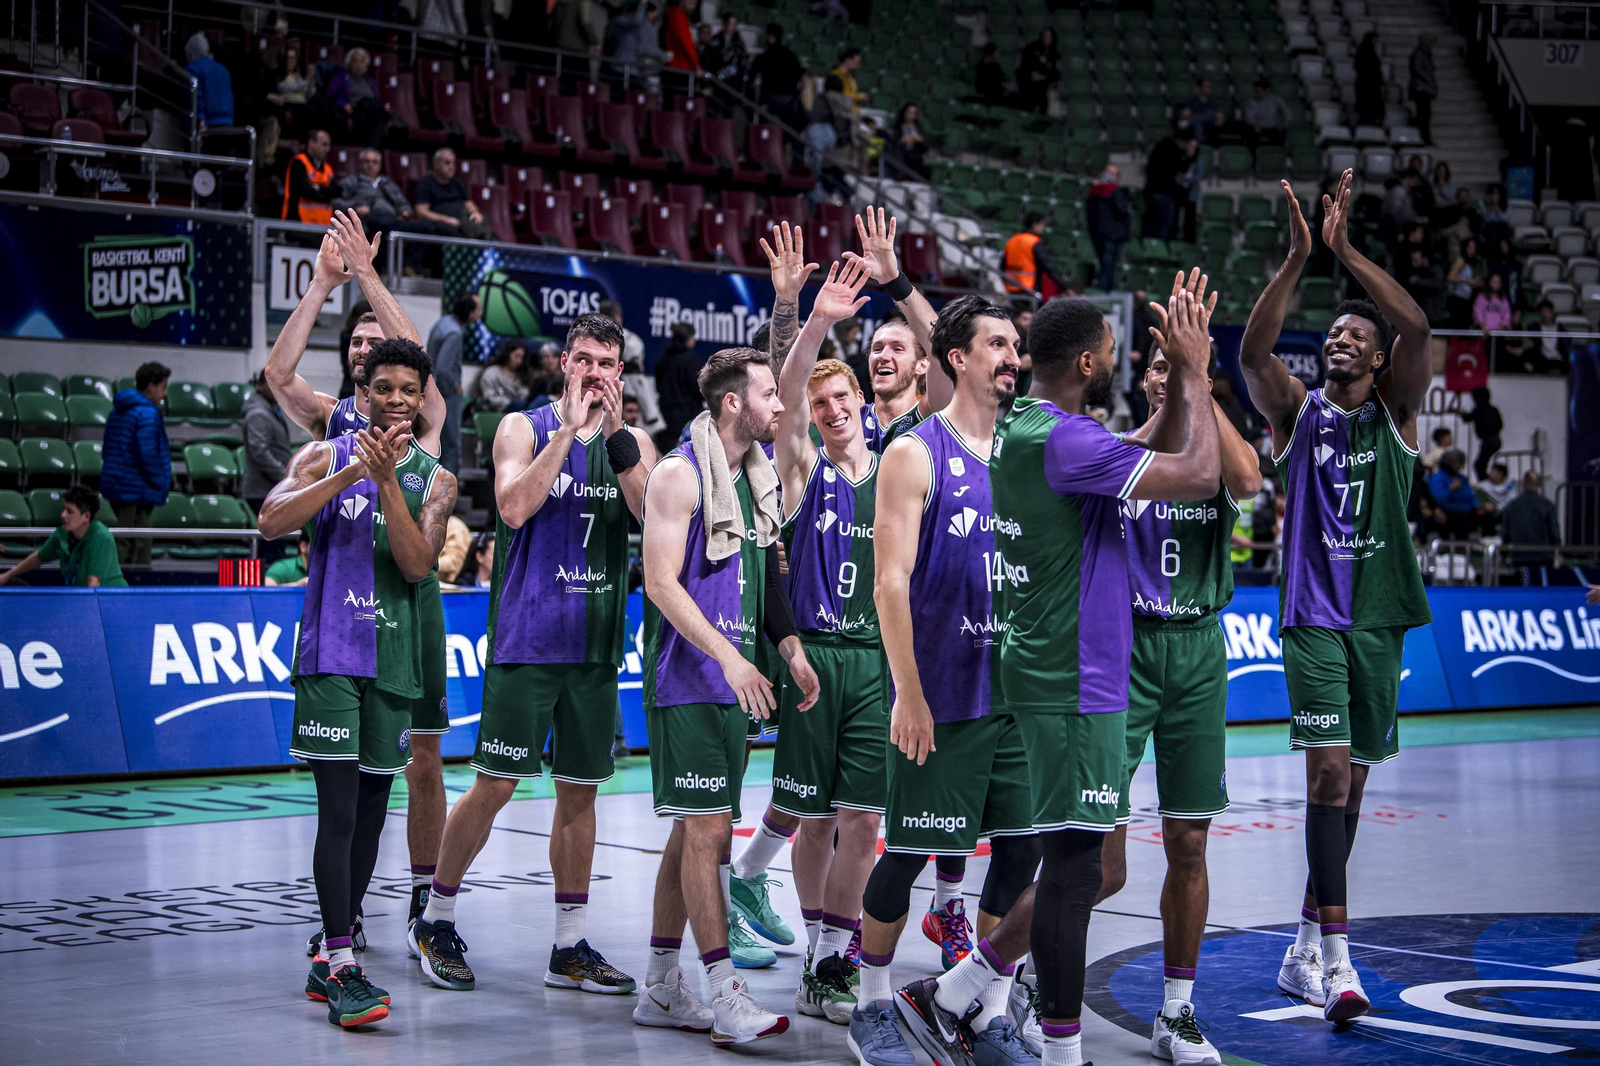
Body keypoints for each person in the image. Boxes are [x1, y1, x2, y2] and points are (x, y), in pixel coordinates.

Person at [1238, 174, 1433, 1024]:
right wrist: (1296, 259)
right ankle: (1342, 966)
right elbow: (1252, 355)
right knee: (1324, 775)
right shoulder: (1299, 413)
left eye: (1358, 334)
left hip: (1380, 623)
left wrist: (1348, 250)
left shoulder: (1395, 413)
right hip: (1314, 618)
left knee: (1346, 792)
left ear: (1380, 360)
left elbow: (1419, 325)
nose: (1343, 339)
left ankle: (1305, 945)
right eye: (1337, 333)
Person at [416, 314, 657, 997]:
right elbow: (515, 508)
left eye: (606, 364)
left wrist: (611, 436)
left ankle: (568, 943)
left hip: (595, 643)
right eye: (583, 360)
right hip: (528, 637)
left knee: (580, 794)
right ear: (564, 364)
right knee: (495, 785)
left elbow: (650, 518)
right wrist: (568, 433)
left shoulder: (629, 440)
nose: (594, 373)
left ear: (620, 372)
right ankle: (435, 917)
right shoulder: (522, 427)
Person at [847, 295, 1041, 1066]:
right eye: (998, 343)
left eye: (1017, 345)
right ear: (956, 357)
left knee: (1023, 854)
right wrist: (910, 692)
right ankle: (871, 1006)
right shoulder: (914, 452)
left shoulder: (1029, 452)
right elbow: (889, 585)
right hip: (943, 697)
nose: (1012, 356)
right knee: (908, 855)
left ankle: (983, 1005)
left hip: (1018, 699)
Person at [264, 212, 454, 956]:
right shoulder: (327, 431)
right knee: (339, 805)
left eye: (403, 377)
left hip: (407, 623)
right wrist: (322, 282)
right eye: (368, 359)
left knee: (403, 774)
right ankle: (337, 941)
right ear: (359, 380)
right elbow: (277, 377)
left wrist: (370, 277)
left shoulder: (430, 455)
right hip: (338, 633)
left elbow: (417, 563)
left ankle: (414, 900)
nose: (394, 389)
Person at [1085, 323, 1262, 1065]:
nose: (1167, 375)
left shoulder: (1216, 453)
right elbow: (1127, 455)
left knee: (1189, 840)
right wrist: (1172, 393)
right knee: (1097, 854)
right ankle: (1024, 979)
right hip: (1125, 648)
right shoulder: (1120, 448)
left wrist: (1201, 381)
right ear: (1142, 376)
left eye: (1176, 366)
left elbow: (1250, 482)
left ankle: (1178, 1010)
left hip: (1196, 650)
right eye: (1157, 366)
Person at [634, 346, 817, 1046]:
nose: (779, 405)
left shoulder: (752, 480)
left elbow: (768, 579)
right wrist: (732, 659)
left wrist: (790, 649)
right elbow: (660, 583)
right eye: (769, 394)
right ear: (732, 402)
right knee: (709, 836)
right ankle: (723, 989)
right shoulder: (680, 474)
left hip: (734, 681)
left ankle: (658, 982)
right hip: (691, 681)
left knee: (691, 831)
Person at [753, 256, 888, 1023]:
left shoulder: (894, 467)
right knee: (811, 816)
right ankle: (815, 949)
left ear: (861, 402)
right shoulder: (800, 465)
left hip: (873, 660)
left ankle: (838, 952)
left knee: (862, 820)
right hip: (814, 657)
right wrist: (816, 320)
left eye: (843, 396)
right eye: (821, 399)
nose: (832, 407)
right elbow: (791, 389)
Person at [101, 361, 171, 566]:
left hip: (118, 484)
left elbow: (107, 448)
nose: (165, 394)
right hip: (137, 487)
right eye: (163, 387)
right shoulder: (147, 413)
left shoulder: (117, 411)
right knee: (137, 542)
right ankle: (129, 588)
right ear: (151, 386)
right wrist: (160, 480)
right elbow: (147, 452)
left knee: (126, 539)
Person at [0, 485, 125, 588]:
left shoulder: (101, 538)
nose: (63, 515)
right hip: (81, 598)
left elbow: (93, 583)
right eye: (64, 509)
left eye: (69, 512)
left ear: (86, 516)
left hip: (110, 603)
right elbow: (39, 557)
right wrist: (7, 575)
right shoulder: (62, 533)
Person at [242, 370, 295, 563]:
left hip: (270, 488)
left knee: (275, 544)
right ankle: (267, 588)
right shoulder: (258, 413)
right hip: (262, 490)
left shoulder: (270, 409)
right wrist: (287, 477)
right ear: (262, 384)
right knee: (271, 546)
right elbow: (259, 453)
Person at [425, 292, 480, 474]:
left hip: (432, 392)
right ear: (470, 312)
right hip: (447, 395)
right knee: (450, 445)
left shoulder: (443, 323)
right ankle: (447, 495)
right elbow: (443, 368)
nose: (481, 313)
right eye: (478, 309)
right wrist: (456, 385)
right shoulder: (454, 333)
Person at [411, 148, 493, 241]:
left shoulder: (457, 184)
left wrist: (475, 212)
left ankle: (485, 241)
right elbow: (421, 212)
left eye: (453, 163)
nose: (451, 166)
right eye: (447, 163)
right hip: (442, 222)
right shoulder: (425, 183)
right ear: (436, 164)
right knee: (469, 230)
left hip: (463, 218)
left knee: (481, 220)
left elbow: (469, 203)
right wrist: (446, 219)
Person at [333, 149, 416, 239]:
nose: (370, 165)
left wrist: (405, 212)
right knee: (384, 225)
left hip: (393, 220)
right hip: (369, 220)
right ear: (360, 164)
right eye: (366, 161)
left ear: (380, 165)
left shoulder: (388, 183)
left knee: (425, 228)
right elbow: (336, 202)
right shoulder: (351, 181)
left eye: (374, 162)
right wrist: (355, 208)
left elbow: (404, 204)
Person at [1145, 126, 1199, 242]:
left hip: (1151, 190)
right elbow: (1183, 168)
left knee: (1152, 223)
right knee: (1165, 224)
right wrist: (1190, 155)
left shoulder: (1160, 146)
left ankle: (1149, 249)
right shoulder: (1174, 150)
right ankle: (1158, 252)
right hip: (1165, 192)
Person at [1004, 211, 1072, 301]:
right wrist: (1065, 287)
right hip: (1030, 290)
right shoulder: (1034, 242)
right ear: (1035, 225)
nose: (1042, 227)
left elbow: (1002, 266)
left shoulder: (1011, 241)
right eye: (1041, 224)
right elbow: (1048, 267)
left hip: (1011, 289)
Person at [323, 48, 384, 147]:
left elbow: (377, 96)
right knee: (370, 111)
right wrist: (342, 104)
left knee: (378, 117)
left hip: (371, 110)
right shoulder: (341, 77)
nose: (358, 65)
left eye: (362, 62)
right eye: (355, 61)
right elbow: (330, 96)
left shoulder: (369, 80)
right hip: (354, 109)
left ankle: (372, 148)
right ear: (349, 63)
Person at [655, 321, 703, 446]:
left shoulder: (662, 359)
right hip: (689, 412)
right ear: (688, 338)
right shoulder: (690, 360)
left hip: (666, 412)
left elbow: (658, 386)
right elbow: (697, 388)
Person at [747, 24, 804, 128]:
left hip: (771, 100)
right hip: (791, 100)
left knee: (764, 129)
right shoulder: (791, 56)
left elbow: (750, 79)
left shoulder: (764, 57)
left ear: (771, 37)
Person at [1086, 165, 1132, 290]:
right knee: (1108, 267)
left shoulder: (1093, 192)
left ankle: (1102, 291)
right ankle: (1105, 294)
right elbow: (1122, 211)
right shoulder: (1113, 191)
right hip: (1112, 236)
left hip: (1097, 235)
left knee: (1103, 265)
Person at [1502, 470, 1560, 566]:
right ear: (1539, 484)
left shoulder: (1512, 506)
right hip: (1543, 556)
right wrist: (1557, 552)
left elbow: (1505, 533)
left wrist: (1503, 554)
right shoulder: (1547, 505)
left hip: (1519, 555)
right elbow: (1553, 532)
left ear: (1524, 483)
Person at [1428, 449, 1489, 537]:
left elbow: (1470, 495)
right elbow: (1437, 499)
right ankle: (1461, 546)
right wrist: (1451, 488)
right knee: (1464, 517)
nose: (1457, 466)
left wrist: (1481, 505)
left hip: (1468, 508)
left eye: (1459, 463)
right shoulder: (1437, 478)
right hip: (1447, 510)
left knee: (1486, 514)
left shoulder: (1462, 478)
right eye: (1454, 463)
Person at [282, 128, 336, 225]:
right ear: (311, 143)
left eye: (329, 145)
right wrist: (327, 193)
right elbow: (305, 190)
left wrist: (319, 188)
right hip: (299, 222)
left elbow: (338, 191)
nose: (327, 149)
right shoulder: (298, 162)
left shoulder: (328, 168)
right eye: (324, 144)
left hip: (323, 224)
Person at [185, 32, 234, 131]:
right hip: (227, 122)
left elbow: (196, 95)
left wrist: (200, 118)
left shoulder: (193, 68)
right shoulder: (223, 70)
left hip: (207, 123)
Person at [474, 339, 535, 412]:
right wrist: (508, 402)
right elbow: (488, 397)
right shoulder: (492, 372)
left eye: (521, 358)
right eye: (516, 356)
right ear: (507, 354)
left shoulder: (523, 375)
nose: (519, 361)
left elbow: (524, 394)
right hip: (495, 410)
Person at [1016, 27, 1060, 114]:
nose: (1046, 38)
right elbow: (1024, 66)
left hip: (1044, 87)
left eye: (1049, 36)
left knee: (1044, 109)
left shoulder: (1054, 54)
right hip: (1029, 86)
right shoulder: (1031, 48)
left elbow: (1054, 73)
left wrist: (1046, 76)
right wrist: (1031, 74)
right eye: (1045, 36)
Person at [1464, 385, 1504, 481]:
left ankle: (1485, 483)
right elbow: (1501, 425)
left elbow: (1467, 418)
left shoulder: (1479, 409)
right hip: (1496, 439)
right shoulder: (1493, 409)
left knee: (1479, 465)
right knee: (1482, 464)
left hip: (1488, 440)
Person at [1446, 237, 1484, 328]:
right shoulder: (1460, 261)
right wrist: (1468, 282)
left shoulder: (1470, 263)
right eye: (1470, 248)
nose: (1472, 250)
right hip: (1458, 299)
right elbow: (1450, 277)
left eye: (1473, 248)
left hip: (1467, 298)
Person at [701, 13, 747, 87]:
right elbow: (709, 59)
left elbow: (742, 61)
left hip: (731, 81)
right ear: (725, 24)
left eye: (734, 24)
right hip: (717, 77)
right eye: (731, 24)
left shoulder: (738, 43)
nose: (733, 26)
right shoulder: (715, 40)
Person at [1242, 79, 1290, 150]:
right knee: (1250, 133)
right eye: (1255, 91)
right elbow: (1249, 118)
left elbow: (1287, 112)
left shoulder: (1276, 100)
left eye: (1259, 91)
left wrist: (1284, 123)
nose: (1256, 93)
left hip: (1273, 127)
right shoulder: (1252, 102)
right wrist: (1254, 124)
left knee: (1282, 133)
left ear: (1266, 91)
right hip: (1258, 128)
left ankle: (1278, 153)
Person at [885, 103, 927, 179]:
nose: (911, 115)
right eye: (909, 113)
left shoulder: (918, 128)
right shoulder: (898, 127)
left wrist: (917, 140)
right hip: (901, 153)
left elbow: (923, 143)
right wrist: (905, 140)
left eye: (913, 113)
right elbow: (896, 139)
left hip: (914, 154)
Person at [1409, 35, 1437, 144]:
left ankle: (1425, 137)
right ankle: (1423, 137)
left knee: (1425, 115)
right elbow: (1418, 69)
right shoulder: (1420, 54)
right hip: (1421, 89)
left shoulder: (1426, 54)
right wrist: (1429, 80)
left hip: (1425, 89)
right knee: (1423, 115)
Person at [1353, 32, 1384, 128]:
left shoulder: (1371, 51)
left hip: (1373, 86)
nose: (1376, 42)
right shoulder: (1364, 51)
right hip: (1366, 87)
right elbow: (1360, 66)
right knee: (1366, 111)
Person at [1183, 80, 1219, 144]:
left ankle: (1190, 122)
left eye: (1209, 87)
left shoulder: (1212, 103)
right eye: (1206, 86)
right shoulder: (1193, 101)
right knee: (1198, 126)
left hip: (1209, 125)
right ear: (1200, 88)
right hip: (1197, 127)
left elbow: (1216, 117)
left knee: (1211, 114)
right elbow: (1186, 113)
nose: (1208, 89)